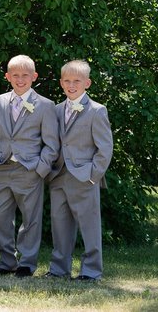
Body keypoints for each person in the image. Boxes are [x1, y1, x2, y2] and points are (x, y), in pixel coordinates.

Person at [0, 55, 59, 278]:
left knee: (31, 218)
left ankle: (27, 262)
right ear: (7, 76)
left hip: (29, 169)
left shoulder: (45, 106)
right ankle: (7, 260)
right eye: (15, 75)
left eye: (25, 75)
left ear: (34, 77)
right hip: (2, 167)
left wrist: (40, 168)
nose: (20, 79)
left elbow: (52, 144)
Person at [46, 60, 113, 281]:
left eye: (77, 81)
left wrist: (93, 176)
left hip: (84, 177)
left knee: (89, 226)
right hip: (59, 176)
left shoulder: (97, 111)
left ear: (87, 83)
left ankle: (91, 270)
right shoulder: (55, 110)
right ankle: (58, 269)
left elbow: (105, 149)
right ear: (61, 83)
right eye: (67, 81)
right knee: (60, 224)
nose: (71, 85)